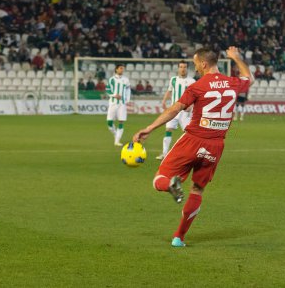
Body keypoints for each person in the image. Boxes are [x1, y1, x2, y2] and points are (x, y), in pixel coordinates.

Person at [133, 46, 254, 247]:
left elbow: (175, 109)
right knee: (197, 190)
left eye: (196, 63)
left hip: (193, 140)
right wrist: (236, 57)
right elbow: (249, 78)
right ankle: (179, 237)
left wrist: (150, 127)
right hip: (215, 146)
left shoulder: (198, 86)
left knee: (159, 180)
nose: (195, 67)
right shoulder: (232, 83)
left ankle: (171, 185)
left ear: (204, 64)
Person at [156, 61, 195, 160]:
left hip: (185, 111)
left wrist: (191, 105)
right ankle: (164, 154)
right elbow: (169, 91)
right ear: (178, 68)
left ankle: (188, 153)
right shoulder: (173, 80)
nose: (183, 69)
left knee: (188, 133)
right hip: (173, 109)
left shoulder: (192, 81)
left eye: (185, 67)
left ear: (187, 69)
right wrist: (164, 101)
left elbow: (196, 96)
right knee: (168, 130)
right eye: (181, 67)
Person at [106, 64, 131, 146]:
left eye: (123, 69)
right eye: (120, 68)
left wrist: (127, 99)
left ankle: (117, 141)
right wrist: (114, 95)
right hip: (113, 103)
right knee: (109, 122)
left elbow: (128, 90)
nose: (122, 70)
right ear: (116, 69)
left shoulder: (126, 80)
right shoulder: (111, 79)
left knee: (121, 121)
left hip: (122, 104)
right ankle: (116, 134)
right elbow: (108, 90)